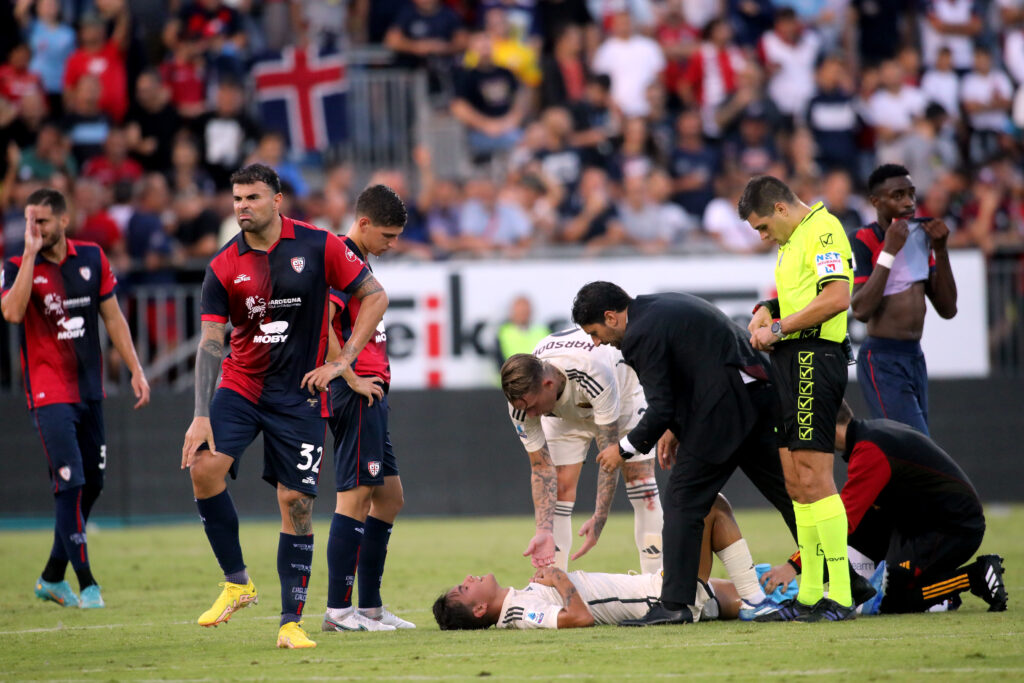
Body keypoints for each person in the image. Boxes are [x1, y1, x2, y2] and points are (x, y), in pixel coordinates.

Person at [180, 164, 388, 649]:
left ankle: (290, 623)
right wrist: (200, 413)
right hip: (243, 384)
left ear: (277, 200)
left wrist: (344, 365)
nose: (241, 207)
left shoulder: (318, 245)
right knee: (203, 468)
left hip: (298, 395)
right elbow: (212, 343)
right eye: (236, 199)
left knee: (296, 504)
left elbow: (373, 297)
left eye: (252, 197)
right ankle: (237, 582)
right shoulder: (222, 266)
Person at [570, 282, 799, 626]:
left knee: (682, 502)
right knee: (793, 493)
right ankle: (848, 575)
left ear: (610, 317)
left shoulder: (639, 334)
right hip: (756, 396)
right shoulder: (657, 308)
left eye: (595, 332)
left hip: (723, 410)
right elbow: (691, 371)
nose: (597, 341)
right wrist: (676, 430)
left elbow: (662, 406)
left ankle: (675, 604)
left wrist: (624, 449)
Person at [1, 188, 150, 609]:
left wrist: (136, 369)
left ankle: (51, 576)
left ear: (64, 221)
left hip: (90, 390)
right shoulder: (15, 265)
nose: (35, 229)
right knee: (70, 481)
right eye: (30, 221)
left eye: (43, 222)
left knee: (93, 483)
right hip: (48, 392)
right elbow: (12, 313)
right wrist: (30, 254)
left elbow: (113, 317)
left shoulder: (92, 258)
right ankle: (87, 584)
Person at [758, 402, 1008, 615]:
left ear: (825, 426)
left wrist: (793, 566)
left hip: (953, 527)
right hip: (922, 521)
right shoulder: (872, 436)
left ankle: (976, 575)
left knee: (896, 600)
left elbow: (842, 522)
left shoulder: (870, 451)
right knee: (869, 541)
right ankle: (939, 588)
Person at [739, 174, 856, 621]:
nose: (764, 237)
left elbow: (837, 296)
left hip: (813, 358)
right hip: (790, 361)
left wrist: (779, 327)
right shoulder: (792, 243)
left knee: (814, 474)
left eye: (763, 227)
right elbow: (803, 298)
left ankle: (842, 595)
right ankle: (809, 594)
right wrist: (769, 308)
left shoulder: (823, 230)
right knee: (794, 479)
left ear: (782, 209)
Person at [433, 494, 772, 629]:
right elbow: (579, 618)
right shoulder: (520, 614)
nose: (469, 577)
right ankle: (758, 596)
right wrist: (558, 578)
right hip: (661, 599)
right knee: (706, 503)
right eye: (464, 588)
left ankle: (767, 596)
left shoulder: (516, 601)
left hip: (657, 587)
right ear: (479, 610)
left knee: (763, 591)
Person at [320, 185, 415, 633]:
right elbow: (323, 320)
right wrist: (348, 373)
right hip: (357, 391)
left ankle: (371, 608)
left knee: (389, 498)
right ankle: (339, 612)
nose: (391, 244)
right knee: (355, 497)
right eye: (388, 235)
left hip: (372, 391)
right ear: (362, 224)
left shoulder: (360, 260)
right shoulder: (342, 257)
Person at [500, 327, 664, 574]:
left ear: (548, 383)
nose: (530, 416)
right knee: (561, 486)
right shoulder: (522, 406)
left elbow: (610, 456)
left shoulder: (593, 372)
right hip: (561, 414)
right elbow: (541, 468)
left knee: (640, 480)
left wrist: (599, 517)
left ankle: (657, 580)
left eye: (533, 407)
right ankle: (555, 585)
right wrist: (543, 530)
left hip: (623, 396)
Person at [850, 164, 958, 435]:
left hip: (914, 357)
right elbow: (861, 309)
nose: (909, 202)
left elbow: (947, 309)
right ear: (876, 202)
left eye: (911, 194)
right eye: (898, 195)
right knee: (915, 445)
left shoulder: (921, 237)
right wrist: (889, 251)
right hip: (882, 357)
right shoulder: (864, 239)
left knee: (910, 450)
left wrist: (941, 251)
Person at [496, 295, 549, 365]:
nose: (523, 313)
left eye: (525, 310)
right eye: (520, 310)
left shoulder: (542, 331)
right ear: (512, 312)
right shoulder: (502, 332)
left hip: (538, 373)